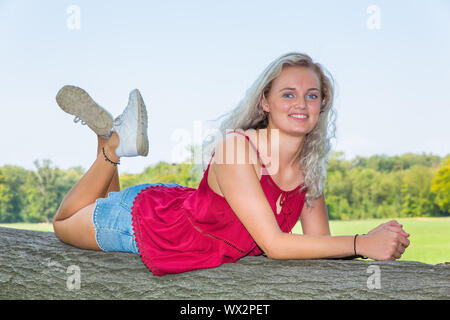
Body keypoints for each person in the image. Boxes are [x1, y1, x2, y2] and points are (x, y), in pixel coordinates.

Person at [53, 52, 410, 276]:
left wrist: (378, 241)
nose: (302, 103)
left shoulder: (309, 169)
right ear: (265, 103)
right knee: (63, 223)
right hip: (145, 226)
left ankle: (107, 134)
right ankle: (112, 146)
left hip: (176, 206)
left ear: (320, 108)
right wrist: (363, 242)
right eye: (289, 94)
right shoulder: (236, 150)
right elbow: (276, 245)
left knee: (101, 200)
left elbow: (320, 244)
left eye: (311, 95)